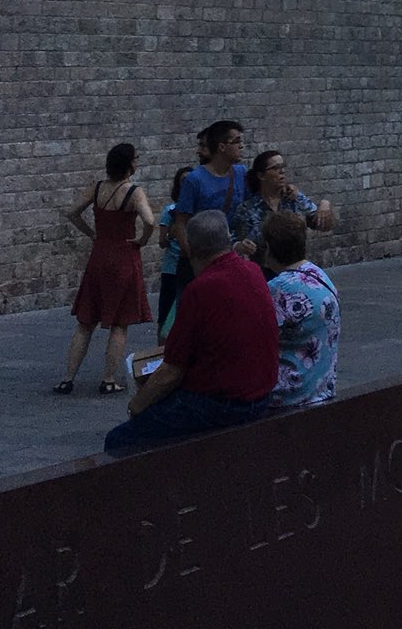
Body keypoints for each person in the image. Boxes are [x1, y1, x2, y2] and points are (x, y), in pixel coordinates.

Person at [102, 211, 277, 452]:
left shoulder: (201, 289)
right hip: (260, 395)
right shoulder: (253, 272)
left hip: (219, 404)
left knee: (119, 440)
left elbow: (171, 372)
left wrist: (136, 405)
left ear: (191, 249)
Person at [54, 142, 155, 395]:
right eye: (136, 158)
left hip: (99, 255)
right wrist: (142, 241)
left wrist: (92, 234)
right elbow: (150, 221)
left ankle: (68, 378)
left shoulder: (97, 188)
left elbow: (72, 212)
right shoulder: (134, 192)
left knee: (86, 320)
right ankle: (108, 379)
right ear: (129, 163)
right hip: (124, 257)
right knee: (120, 323)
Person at [261, 210, 339, 408]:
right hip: (322, 389)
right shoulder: (318, 274)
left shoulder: (280, 289)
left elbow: (251, 338)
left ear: (269, 248)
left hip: (289, 395)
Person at [173, 120, 248, 291]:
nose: (241, 146)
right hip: (201, 260)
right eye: (236, 141)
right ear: (222, 146)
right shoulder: (194, 180)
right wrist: (194, 259)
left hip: (230, 256)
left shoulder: (241, 173)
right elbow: (180, 224)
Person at [231, 148, 333, 262]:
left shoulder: (294, 198)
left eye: (283, 167)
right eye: (276, 168)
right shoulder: (247, 209)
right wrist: (241, 246)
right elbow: (235, 244)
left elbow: (323, 225)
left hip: (295, 269)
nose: (282, 171)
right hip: (264, 271)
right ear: (261, 175)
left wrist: (325, 204)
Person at [153, 165, 192, 332]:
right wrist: (172, 235)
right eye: (183, 181)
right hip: (172, 268)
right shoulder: (170, 212)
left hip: (191, 265)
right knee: (166, 311)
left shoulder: (197, 210)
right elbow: (162, 242)